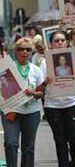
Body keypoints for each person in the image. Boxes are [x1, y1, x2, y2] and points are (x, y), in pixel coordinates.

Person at [37, 30, 75, 167]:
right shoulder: (45, 62)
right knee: (60, 140)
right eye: (56, 41)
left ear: (66, 42)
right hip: (53, 106)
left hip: (72, 104)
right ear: (51, 44)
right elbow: (40, 87)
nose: (59, 43)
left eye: (62, 40)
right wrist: (45, 82)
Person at [1, 37, 44, 167]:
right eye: (21, 49)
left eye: (28, 49)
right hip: (11, 112)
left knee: (28, 148)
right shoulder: (6, 68)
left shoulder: (36, 70)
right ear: (15, 51)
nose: (24, 52)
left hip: (32, 113)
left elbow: (41, 92)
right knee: (10, 143)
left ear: (31, 52)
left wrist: (35, 93)